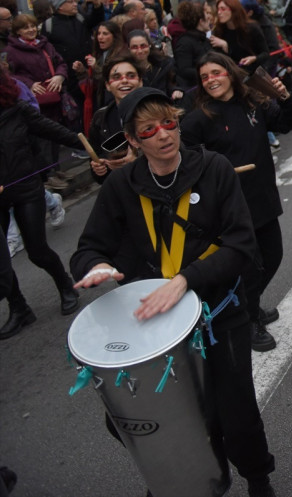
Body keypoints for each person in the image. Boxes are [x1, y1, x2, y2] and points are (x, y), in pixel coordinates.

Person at [70, 88, 277, 497]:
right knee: (131, 418)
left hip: (217, 311)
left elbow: (241, 245)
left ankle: (258, 477)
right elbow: (89, 246)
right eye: (150, 130)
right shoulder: (122, 185)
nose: (164, 135)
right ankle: (199, 471)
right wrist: (95, 266)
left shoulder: (213, 168)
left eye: (170, 123)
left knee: (236, 414)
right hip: (157, 324)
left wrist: (185, 280)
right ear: (132, 140)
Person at [183, 53, 292, 353]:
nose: (211, 79)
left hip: (262, 196)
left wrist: (286, 96)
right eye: (204, 77)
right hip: (229, 207)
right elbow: (186, 159)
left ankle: (248, 304)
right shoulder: (198, 118)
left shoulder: (253, 103)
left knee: (272, 257)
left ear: (230, 74)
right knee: (247, 267)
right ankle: (247, 320)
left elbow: (291, 121)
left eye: (216, 73)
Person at [0, 64, 86, 338]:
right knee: (1, 261)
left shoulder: (19, 112)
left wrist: (89, 144)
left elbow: (55, 132)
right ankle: (19, 308)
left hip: (26, 187)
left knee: (37, 249)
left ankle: (65, 286)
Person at [87, 53, 143, 183]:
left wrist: (140, 159)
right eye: (116, 77)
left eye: (131, 76)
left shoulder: (160, 111)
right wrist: (100, 168)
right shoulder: (100, 119)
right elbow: (97, 160)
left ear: (140, 81)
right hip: (122, 192)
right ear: (107, 85)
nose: (124, 80)